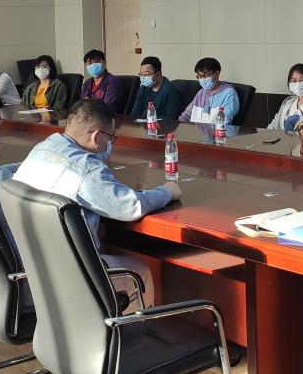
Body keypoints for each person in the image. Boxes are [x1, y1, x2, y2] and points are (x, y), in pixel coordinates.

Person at [12, 99, 180, 304]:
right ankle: (126, 325)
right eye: (110, 138)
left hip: (29, 272)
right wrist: (167, 191)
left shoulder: (42, 148)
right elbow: (129, 206)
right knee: (139, 272)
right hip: (67, 279)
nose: (110, 145)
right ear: (96, 135)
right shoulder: (86, 169)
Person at [179, 57, 240, 124]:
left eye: (206, 75)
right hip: (195, 130)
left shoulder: (229, 93)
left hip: (216, 130)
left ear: (217, 74)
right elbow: (186, 115)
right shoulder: (201, 93)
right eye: (200, 76)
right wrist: (180, 125)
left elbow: (225, 121)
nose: (203, 79)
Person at [128, 55, 183, 120]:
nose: (143, 77)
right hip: (142, 124)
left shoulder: (171, 91)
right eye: (141, 74)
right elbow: (135, 113)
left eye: (147, 74)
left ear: (158, 74)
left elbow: (172, 118)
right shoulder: (143, 88)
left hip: (161, 125)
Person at [21, 54, 69, 120]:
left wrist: (44, 111)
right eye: (38, 67)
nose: (41, 69)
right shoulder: (30, 87)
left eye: (44, 66)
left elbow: (58, 109)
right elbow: (22, 106)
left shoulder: (59, 85)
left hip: (48, 118)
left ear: (51, 68)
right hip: (32, 118)